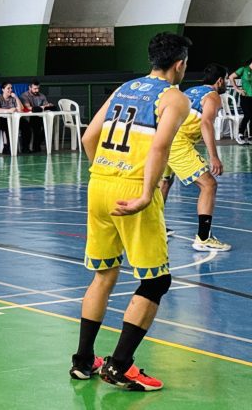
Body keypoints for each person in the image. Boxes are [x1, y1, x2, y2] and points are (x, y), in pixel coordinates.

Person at [70, 32, 192, 392]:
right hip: (131, 190)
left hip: (98, 183)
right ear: (180, 64)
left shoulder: (125, 88)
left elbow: (88, 138)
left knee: (104, 274)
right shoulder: (175, 99)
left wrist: (106, 171)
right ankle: (120, 366)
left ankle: (82, 361)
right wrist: (141, 193)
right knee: (156, 281)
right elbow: (159, 149)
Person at [159, 64, 231, 251]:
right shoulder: (213, 96)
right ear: (220, 81)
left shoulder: (191, 91)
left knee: (165, 182)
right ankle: (203, 237)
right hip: (178, 143)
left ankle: (156, 227)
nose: (227, 84)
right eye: (226, 80)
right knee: (209, 184)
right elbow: (206, 123)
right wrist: (214, 156)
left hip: (165, 138)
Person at [228, 55, 252, 144]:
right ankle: (240, 134)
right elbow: (231, 77)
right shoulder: (243, 69)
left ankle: (250, 137)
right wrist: (237, 89)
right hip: (245, 97)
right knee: (247, 115)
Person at [20, 80, 56, 152]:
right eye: (35, 89)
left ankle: (37, 144)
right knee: (36, 123)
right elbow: (29, 107)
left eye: (38, 88)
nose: (37, 90)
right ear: (30, 88)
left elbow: (46, 105)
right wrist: (42, 107)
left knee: (49, 124)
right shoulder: (24, 96)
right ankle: (34, 146)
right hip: (28, 117)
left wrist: (48, 106)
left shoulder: (42, 95)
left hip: (40, 116)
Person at [0, 82, 25, 154]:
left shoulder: (13, 98)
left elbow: (21, 109)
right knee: (6, 125)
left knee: (26, 124)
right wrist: (8, 111)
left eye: (11, 88)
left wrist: (16, 97)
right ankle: (7, 147)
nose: (10, 90)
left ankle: (25, 147)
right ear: (3, 89)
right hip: (1, 119)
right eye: (8, 88)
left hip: (14, 120)